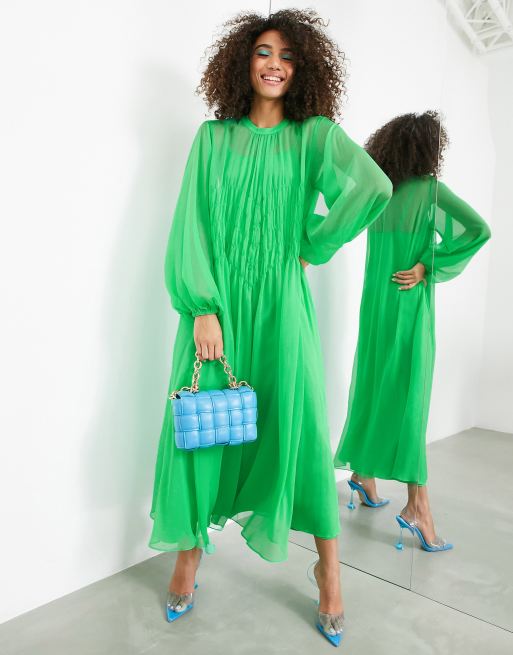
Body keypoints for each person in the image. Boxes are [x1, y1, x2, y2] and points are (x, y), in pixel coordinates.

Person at [148, 9, 392, 644]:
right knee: (201, 429)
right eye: (262, 51)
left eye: (286, 54)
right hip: (218, 307)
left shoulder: (314, 137)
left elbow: (372, 186)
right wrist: (202, 306)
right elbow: (191, 223)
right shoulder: (212, 139)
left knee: (299, 428)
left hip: (283, 307)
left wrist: (312, 244)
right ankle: (188, 557)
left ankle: (329, 571)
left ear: (301, 67)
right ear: (243, 61)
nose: (274, 63)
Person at [334, 111, 491, 552]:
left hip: (375, 306)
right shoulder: (429, 192)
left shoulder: (381, 192)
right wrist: (426, 265)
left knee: (373, 386)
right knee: (410, 399)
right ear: (427, 150)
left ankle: (364, 475)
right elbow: (478, 230)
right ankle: (417, 506)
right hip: (407, 307)